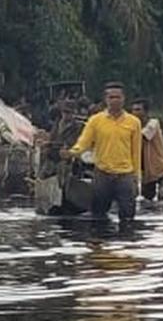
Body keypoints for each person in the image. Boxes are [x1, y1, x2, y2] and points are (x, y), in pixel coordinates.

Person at [59, 82, 142, 228]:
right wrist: (71, 153)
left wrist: (136, 178)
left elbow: (136, 151)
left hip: (125, 175)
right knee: (98, 216)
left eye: (118, 97)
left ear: (124, 99)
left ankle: (126, 246)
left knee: (128, 217)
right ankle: (100, 247)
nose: (114, 100)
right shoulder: (95, 121)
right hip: (103, 174)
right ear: (106, 99)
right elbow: (83, 142)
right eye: (111, 97)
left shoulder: (133, 122)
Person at [130, 98, 163, 203]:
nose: (135, 113)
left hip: (162, 168)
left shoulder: (153, 123)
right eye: (134, 110)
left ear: (146, 111)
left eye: (138, 109)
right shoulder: (132, 126)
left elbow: (142, 137)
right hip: (147, 173)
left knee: (161, 196)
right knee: (147, 200)